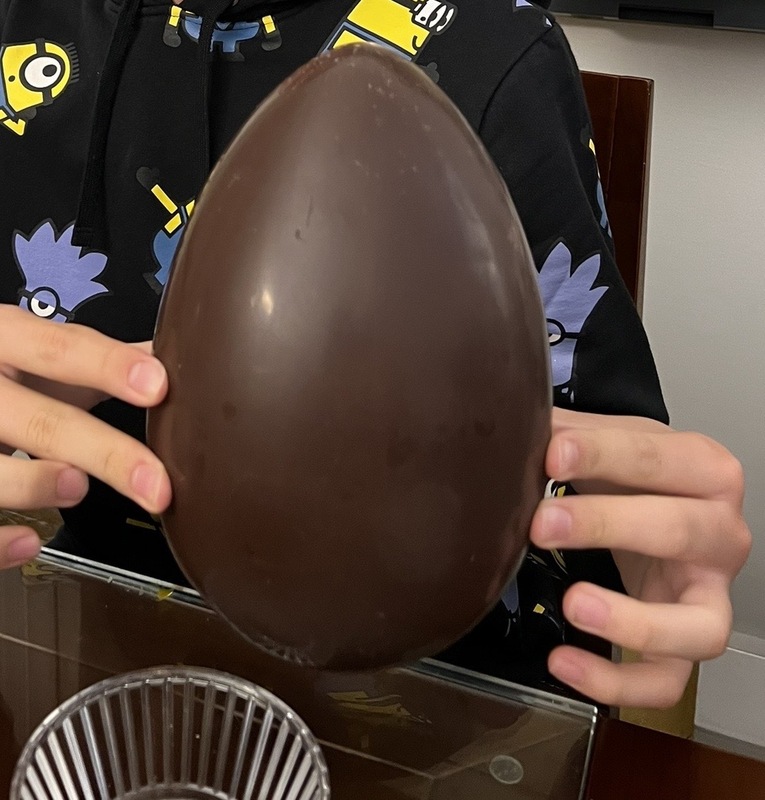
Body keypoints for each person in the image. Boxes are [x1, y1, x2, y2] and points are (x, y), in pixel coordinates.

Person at [0, 0, 750, 709]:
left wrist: (643, 542)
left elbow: (605, 462)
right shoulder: (25, 28)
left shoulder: (490, 51)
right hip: (102, 658)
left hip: (446, 694)